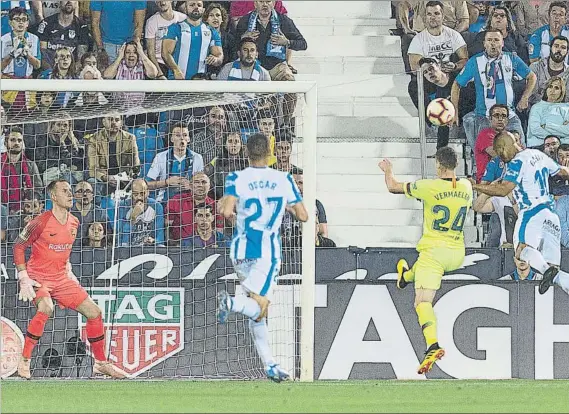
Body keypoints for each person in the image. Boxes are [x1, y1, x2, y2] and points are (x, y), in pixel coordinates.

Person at [217, 132, 308, 383]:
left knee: (259, 311)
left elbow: (225, 211)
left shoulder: (237, 177)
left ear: (247, 153)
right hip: (266, 250)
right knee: (260, 305)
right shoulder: (283, 178)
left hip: (240, 248)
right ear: (270, 152)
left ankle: (270, 365)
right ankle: (231, 303)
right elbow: (303, 216)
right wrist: (285, 205)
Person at [13, 179, 123, 379]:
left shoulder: (75, 222)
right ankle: (25, 360)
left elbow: (64, 250)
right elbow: (18, 246)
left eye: (70, 191)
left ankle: (100, 363)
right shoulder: (40, 222)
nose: (70, 194)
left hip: (61, 278)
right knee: (46, 307)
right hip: (39, 278)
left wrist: (68, 269)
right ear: (53, 196)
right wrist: (23, 277)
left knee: (94, 312)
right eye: (65, 191)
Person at [379, 146, 472, 374]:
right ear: (456, 165)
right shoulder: (466, 187)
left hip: (434, 254)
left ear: (438, 165)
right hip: (458, 252)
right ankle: (405, 276)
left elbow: (393, 187)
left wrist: (388, 170)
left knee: (422, 303)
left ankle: (432, 345)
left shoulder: (428, 186)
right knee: (417, 270)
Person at [469, 131, 569, 296]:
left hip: (531, 213)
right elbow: (563, 172)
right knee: (555, 273)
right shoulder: (538, 154)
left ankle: (546, 269)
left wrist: (475, 186)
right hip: (551, 214)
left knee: (521, 251)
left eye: (500, 151)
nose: (500, 156)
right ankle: (550, 270)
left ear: (505, 146)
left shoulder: (517, 162)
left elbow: (503, 190)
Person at [451, 29, 537, 151]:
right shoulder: (475, 61)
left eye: (496, 40)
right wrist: (454, 110)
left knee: (521, 152)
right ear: (484, 43)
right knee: (484, 156)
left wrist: (525, 97)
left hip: (509, 116)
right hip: (484, 117)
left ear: (502, 43)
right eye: (489, 40)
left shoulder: (512, 58)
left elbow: (531, 76)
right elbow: (456, 84)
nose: (493, 43)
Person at [161, 0, 223, 80]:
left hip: (200, 82)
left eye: (199, 5)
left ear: (203, 10)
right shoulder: (175, 28)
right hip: (177, 81)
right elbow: (165, 53)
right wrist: (176, 70)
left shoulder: (211, 31)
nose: (196, 7)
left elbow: (219, 56)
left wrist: (216, 60)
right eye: (192, 5)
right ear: (185, 9)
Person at [35, 0, 90, 68]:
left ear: (76, 3)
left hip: (72, 72)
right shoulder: (46, 24)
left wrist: (68, 73)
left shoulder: (82, 27)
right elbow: (42, 56)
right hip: (49, 71)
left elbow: (80, 59)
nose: (69, 1)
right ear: (59, 2)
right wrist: (52, 73)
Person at [145, 0, 187, 80]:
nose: (162, 2)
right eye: (158, 1)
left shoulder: (183, 18)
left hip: (179, 64)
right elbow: (151, 52)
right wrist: (160, 74)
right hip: (160, 64)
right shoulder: (151, 22)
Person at [527, 76, 569, 146]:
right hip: (539, 145)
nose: (552, 90)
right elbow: (535, 130)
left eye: (556, 88)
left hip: (562, 146)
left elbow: (567, 130)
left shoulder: (566, 108)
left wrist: (547, 125)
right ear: (546, 89)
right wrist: (555, 140)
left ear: (562, 92)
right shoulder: (536, 107)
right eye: (550, 86)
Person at [529, 35, 569, 106]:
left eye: (563, 48)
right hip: (538, 110)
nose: (559, 50)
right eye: (556, 46)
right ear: (550, 48)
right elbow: (531, 96)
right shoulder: (535, 67)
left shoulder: (568, 72)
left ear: (567, 52)